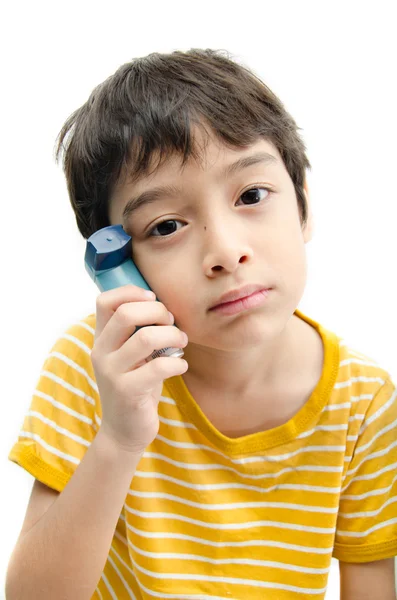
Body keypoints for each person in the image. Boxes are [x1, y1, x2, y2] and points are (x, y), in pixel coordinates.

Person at [5, 49, 397, 600]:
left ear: (303, 207)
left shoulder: (365, 404)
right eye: (167, 225)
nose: (225, 251)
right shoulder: (95, 366)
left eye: (251, 195)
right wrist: (119, 438)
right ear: (120, 269)